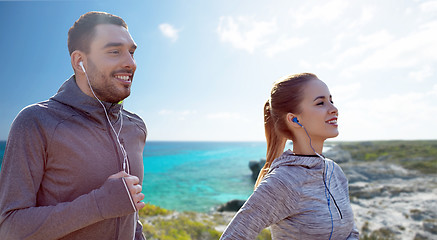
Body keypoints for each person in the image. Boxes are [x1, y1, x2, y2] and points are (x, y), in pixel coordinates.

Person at [0, 11, 147, 239]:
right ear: (80, 62)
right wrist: (99, 204)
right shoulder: (36, 122)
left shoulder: (135, 127)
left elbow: (130, 216)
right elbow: (9, 228)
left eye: (131, 52)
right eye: (114, 52)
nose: (130, 63)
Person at [220, 73, 359, 239]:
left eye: (331, 100)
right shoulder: (285, 180)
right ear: (294, 120)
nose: (334, 109)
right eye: (321, 103)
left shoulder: (334, 171)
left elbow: (351, 232)